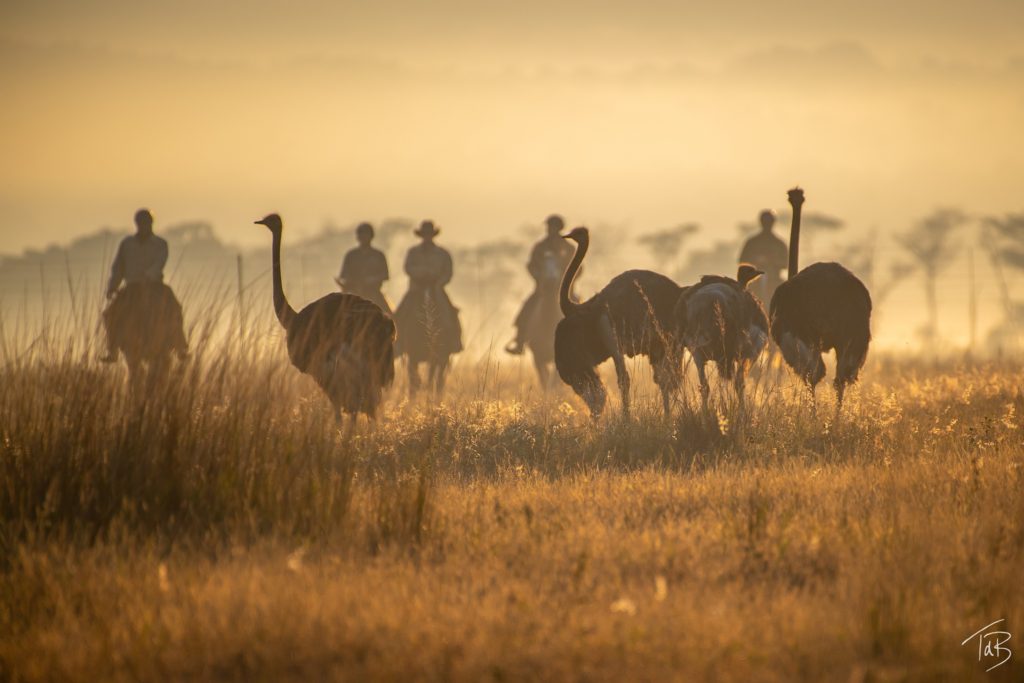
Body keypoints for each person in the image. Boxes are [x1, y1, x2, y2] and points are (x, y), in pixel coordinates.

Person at [100, 209, 186, 362]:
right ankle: (112, 351)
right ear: (137, 224)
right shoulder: (127, 244)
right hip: (132, 287)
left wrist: (149, 276)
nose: (144, 226)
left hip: (155, 286)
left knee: (175, 309)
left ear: (151, 224)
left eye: (146, 223)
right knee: (110, 315)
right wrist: (113, 286)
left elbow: (159, 263)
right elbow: (118, 266)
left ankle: (180, 347)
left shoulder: (160, 244)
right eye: (141, 223)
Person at [392, 220, 463, 393]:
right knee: (399, 315)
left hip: (436, 288)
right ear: (421, 235)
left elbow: (448, 272)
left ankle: (454, 341)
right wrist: (421, 275)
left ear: (433, 235)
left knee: (450, 314)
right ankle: (396, 343)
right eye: (424, 234)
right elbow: (408, 268)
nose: (427, 237)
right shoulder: (413, 252)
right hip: (416, 288)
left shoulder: (442, 254)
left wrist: (437, 280)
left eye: (429, 233)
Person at [505, 214, 575, 355]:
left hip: (565, 290)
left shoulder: (568, 248)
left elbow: (577, 268)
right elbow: (531, 265)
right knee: (526, 310)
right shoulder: (540, 247)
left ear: (559, 228)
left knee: (580, 312)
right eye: (548, 226)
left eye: (552, 226)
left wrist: (567, 279)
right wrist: (538, 277)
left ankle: (582, 344)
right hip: (542, 289)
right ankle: (520, 342)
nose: (549, 229)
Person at [335, 222, 391, 314]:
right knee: (339, 316)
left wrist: (372, 280)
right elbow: (344, 275)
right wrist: (350, 283)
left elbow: (385, 275)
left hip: (374, 293)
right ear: (357, 237)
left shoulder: (378, 255)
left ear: (371, 236)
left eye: (366, 234)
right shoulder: (351, 255)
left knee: (389, 317)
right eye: (361, 234)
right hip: (354, 292)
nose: (363, 237)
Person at [738, 209, 789, 303]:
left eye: (769, 221)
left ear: (773, 222)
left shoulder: (779, 243)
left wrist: (771, 261)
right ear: (761, 222)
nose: (767, 224)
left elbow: (785, 263)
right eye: (765, 221)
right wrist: (756, 262)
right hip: (753, 280)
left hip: (774, 279)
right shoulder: (752, 242)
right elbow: (742, 260)